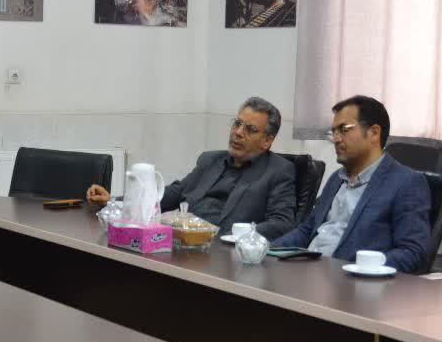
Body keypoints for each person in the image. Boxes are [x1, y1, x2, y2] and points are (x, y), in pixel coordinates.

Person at [87, 97, 298, 240]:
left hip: (226, 253)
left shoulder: (279, 171)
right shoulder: (210, 160)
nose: (238, 133)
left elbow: (282, 223)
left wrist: (238, 235)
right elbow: (175, 193)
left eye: (250, 129)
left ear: (267, 140)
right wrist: (115, 201)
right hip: (184, 243)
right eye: (237, 123)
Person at [272, 95, 430, 272]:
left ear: (374, 133)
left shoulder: (406, 182)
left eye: (344, 130)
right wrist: (268, 250)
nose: (336, 139)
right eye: (333, 132)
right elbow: (308, 229)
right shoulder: (336, 179)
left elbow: (413, 252)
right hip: (308, 270)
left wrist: (360, 268)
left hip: (352, 280)